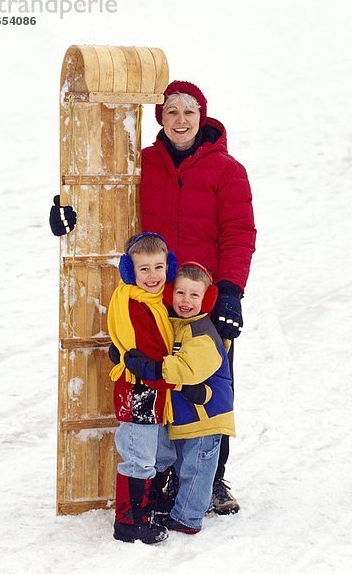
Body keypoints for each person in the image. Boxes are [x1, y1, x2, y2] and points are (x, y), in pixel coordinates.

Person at [50, 80, 256, 513]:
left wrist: (231, 294)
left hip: (204, 299)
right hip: (154, 297)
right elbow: (104, 200)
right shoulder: (140, 164)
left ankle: (211, 479)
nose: (181, 121)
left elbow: (239, 234)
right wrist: (70, 212)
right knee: (158, 384)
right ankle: (160, 477)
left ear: (203, 117)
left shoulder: (228, 170)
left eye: (189, 112)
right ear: (159, 117)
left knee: (208, 389)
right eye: (172, 112)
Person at [123, 262, 235, 533]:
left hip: (206, 418)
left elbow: (182, 369)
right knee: (184, 465)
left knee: (196, 469)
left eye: (194, 295)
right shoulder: (174, 324)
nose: (186, 301)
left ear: (206, 299)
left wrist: (147, 367)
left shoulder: (204, 335)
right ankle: (191, 503)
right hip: (186, 416)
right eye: (181, 293)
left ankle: (188, 517)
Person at [106, 231, 177, 544]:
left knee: (162, 451)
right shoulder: (136, 305)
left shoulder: (156, 302)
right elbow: (148, 355)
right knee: (139, 454)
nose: (153, 276)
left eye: (159, 267)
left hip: (154, 392)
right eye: (144, 269)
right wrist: (178, 376)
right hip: (139, 390)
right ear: (129, 272)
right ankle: (129, 521)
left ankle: (152, 505)